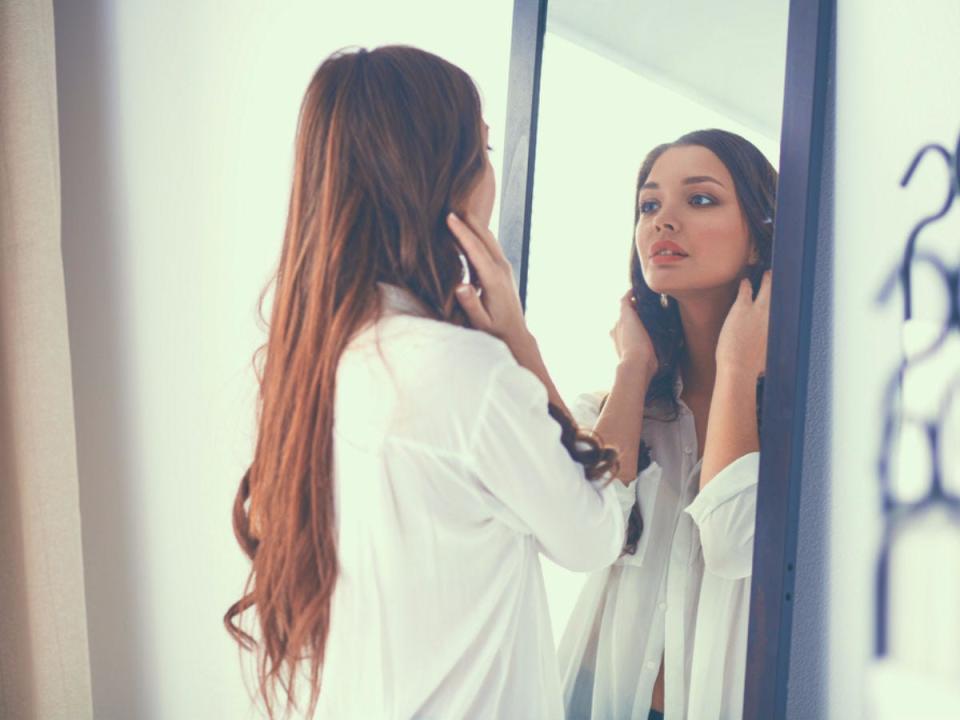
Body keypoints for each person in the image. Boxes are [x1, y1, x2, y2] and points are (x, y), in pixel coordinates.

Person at [223, 45, 627, 719]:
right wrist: (524, 347)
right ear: (439, 175)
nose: (491, 177)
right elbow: (591, 537)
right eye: (485, 150)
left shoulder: (321, 363)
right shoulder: (467, 376)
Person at [557, 129, 776, 720]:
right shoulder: (617, 407)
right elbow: (575, 530)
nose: (663, 221)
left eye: (699, 199)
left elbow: (731, 545)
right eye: (649, 205)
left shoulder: (800, 421)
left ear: (758, 238)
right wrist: (633, 368)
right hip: (588, 694)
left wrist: (735, 365)